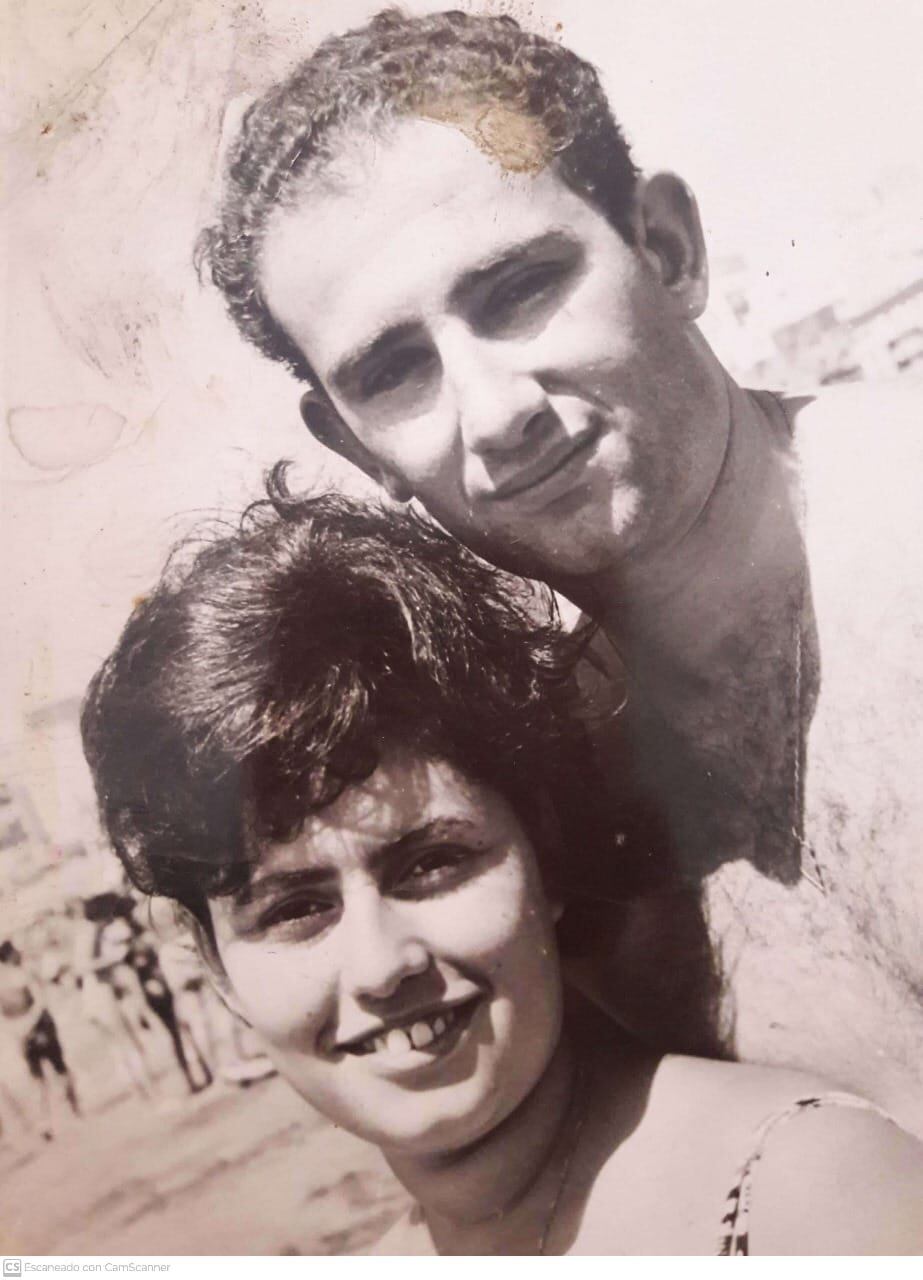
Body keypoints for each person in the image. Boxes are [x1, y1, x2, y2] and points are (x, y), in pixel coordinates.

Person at [195, 8, 923, 1130]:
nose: (495, 413)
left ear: (666, 248)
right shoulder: (542, 818)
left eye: (518, 290)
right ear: (353, 447)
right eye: (394, 370)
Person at [80, 483, 923, 1255]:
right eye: (295, 909)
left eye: (432, 863)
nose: (380, 966)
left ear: (543, 851)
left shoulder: (805, 1203)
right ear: (216, 968)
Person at [0, 940, 80, 1142]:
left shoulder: (9, 979)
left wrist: (19, 1031)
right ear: (9, 955)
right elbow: (40, 1001)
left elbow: (5, 1017)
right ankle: (71, 1109)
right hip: (39, 1027)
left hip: (25, 1031)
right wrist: (28, 1025)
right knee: (57, 1070)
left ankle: (50, 1120)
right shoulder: (23, 974)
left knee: (39, 1078)